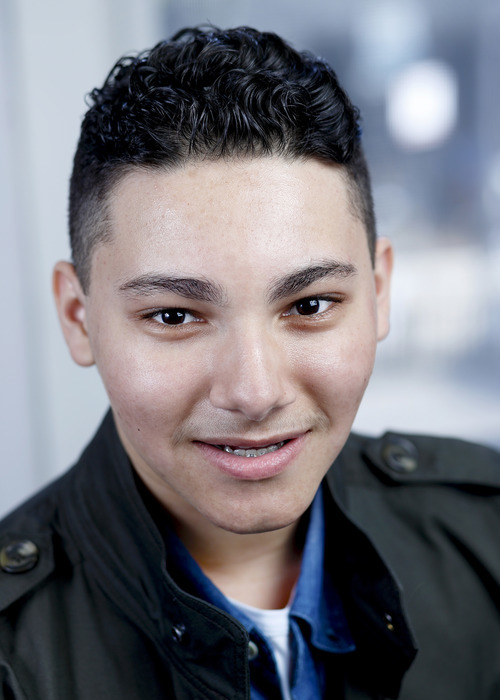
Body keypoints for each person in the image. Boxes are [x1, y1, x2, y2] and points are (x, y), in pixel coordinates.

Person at [0, 25, 499, 700]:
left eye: (310, 305)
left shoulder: (486, 536)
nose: (255, 391)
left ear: (379, 293)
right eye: (174, 316)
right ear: (77, 317)